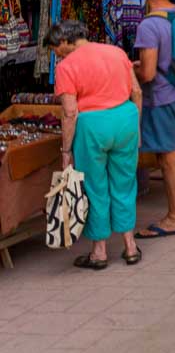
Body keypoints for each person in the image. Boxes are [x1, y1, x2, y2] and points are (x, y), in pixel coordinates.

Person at [47, 20, 143, 269]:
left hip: (93, 127)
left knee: (95, 187)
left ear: (65, 41)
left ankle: (99, 252)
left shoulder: (66, 66)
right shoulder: (116, 52)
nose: (56, 54)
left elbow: (70, 113)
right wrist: (137, 128)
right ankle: (130, 246)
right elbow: (137, 92)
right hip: (125, 120)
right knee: (125, 184)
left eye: (55, 48)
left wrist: (66, 151)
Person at [133, 0, 175, 238]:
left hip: (162, 98)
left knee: (167, 160)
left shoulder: (149, 25)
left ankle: (174, 218)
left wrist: (130, 68)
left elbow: (147, 72)